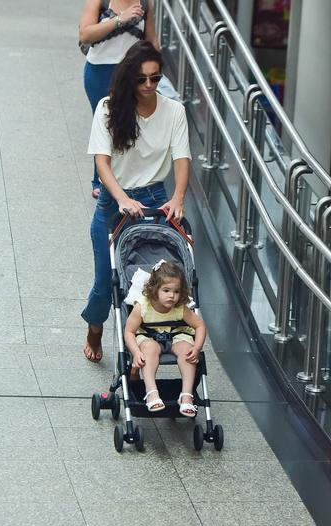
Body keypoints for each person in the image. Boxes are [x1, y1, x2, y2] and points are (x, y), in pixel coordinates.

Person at [81, 41, 191, 363]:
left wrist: (178, 197)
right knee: (106, 282)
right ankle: (95, 327)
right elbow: (102, 163)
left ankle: (143, 346)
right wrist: (122, 198)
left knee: (154, 282)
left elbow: (182, 158)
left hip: (157, 200)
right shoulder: (108, 108)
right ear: (129, 77)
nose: (148, 86)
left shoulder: (174, 111)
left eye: (155, 79)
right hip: (115, 203)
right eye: (141, 79)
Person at [79, 0, 159, 198]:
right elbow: (85, 34)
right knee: (106, 124)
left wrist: (157, 68)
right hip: (100, 71)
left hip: (132, 73)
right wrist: (119, 19)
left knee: (133, 123)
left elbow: (152, 41)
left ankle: (127, 178)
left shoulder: (145, 4)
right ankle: (100, 179)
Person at [124, 261, 206, 416]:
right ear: (154, 290)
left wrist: (196, 348)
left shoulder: (180, 307)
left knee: (186, 351)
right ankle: (151, 392)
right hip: (148, 336)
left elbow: (200, 326)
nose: (172, 296)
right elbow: (129, 331)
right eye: (166, 290)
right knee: (149, 349)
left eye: (176, 291)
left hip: (177, 335)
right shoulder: (142, 306)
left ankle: (186, 396)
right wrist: (135, 352)